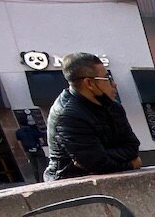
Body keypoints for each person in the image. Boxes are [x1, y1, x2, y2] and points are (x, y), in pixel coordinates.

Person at [44, 53, 141, 181]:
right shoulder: (68, 114)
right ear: (89, 83)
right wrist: (131, 164)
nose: (114, 84)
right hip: (71, 186)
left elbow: (133, 146)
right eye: (107, 77)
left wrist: (102, 154)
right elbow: (97, 164)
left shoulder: (113, 107)